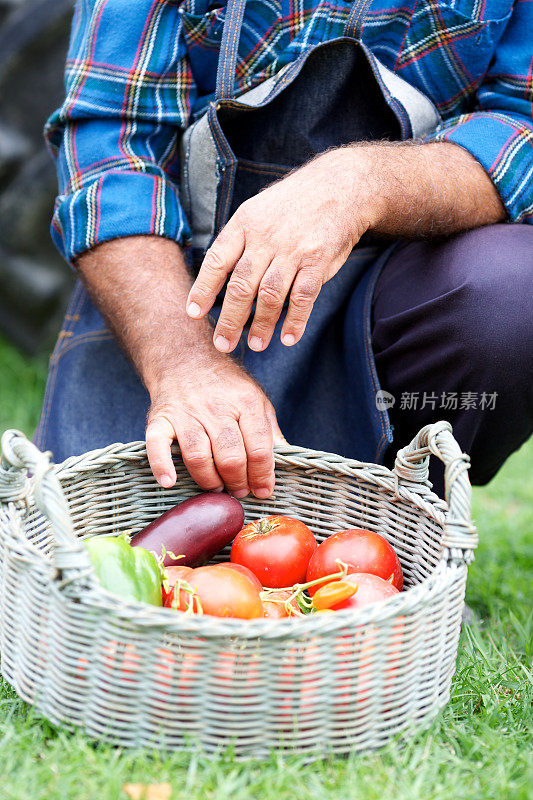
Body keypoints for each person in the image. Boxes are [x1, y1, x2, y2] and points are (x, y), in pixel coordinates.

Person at [36, 0, 532, 499]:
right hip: (180, 289)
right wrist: (184, 363)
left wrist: (359, 185)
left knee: (517, 294)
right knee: (100, 546)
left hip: (392, 292)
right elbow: (110, 152)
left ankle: (405, 500)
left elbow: (523, 123)